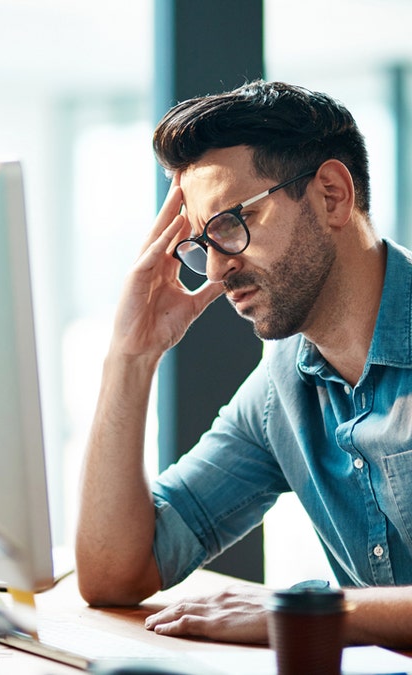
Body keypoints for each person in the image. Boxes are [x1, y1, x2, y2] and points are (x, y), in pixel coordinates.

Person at [75, 80, 412, 647]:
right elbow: (117, 573)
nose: (212, 270)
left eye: (231, 224)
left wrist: (313, 612)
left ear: (331, 194)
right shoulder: (284, 389)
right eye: (201, 242)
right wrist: (130, 357)